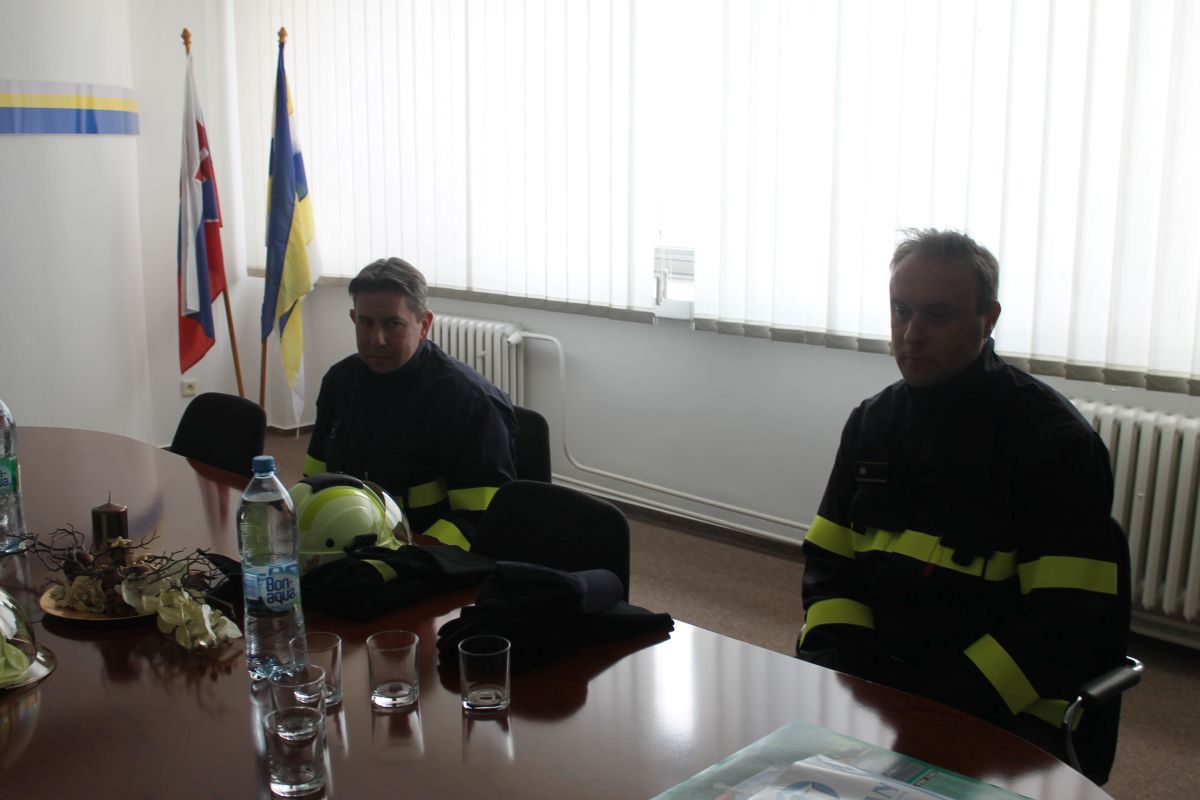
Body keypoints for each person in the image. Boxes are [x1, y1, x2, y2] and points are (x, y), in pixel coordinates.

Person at [794, 229, 1128, 783]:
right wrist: (840, 679)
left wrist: (931, 713)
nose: (911, 334)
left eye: (938, 315)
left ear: (987, 319)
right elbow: (831, 570)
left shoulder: (1054, 443)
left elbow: (1061, 625)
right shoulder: (871, 424)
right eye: (900, 311)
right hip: (880, 692)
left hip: (1003, 709)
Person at [305, 257, 518, 550]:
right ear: (354, 319)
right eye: (366, 323)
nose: (377, 339)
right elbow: (317, 481)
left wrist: (412, 557)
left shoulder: (467, 401)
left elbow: (481, 518)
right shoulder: (339, 381)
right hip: (349, 545)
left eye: (392, 324)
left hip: (430, 556)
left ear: (424, 324)